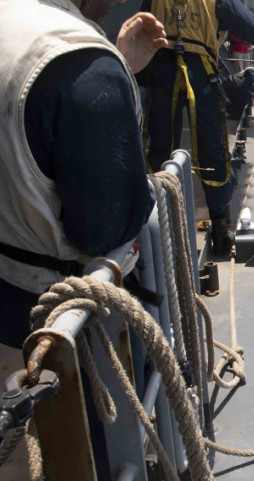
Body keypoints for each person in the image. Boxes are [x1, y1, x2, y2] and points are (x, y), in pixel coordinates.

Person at [0, 0, 163, 349]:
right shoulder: (83, 63)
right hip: (53, 325)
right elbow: (105, 229)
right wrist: (108, 75)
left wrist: (121, 68)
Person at [142, 0, 254, 256]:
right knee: (213, 153)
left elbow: (140, 22)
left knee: (159, 150)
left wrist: (137, 78)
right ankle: (221, 232)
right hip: (199, 75)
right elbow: (250, 25)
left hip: (160, 71)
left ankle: (155, 229)